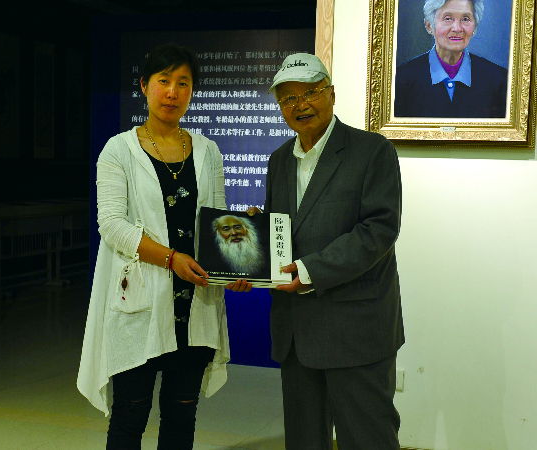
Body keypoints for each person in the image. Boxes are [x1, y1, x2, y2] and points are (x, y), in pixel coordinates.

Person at [77, 43, 243, 450]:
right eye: (164, 81)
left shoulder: (207, 150)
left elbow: (217, 219)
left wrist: (240, 255)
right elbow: (111, 225)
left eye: (183, 83)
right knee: (130, 414)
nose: (172, 92)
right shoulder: (118, 150)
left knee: (182, 415)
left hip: (195, 303)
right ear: (144, 86)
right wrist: (171, 259)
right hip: (140, 303)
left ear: (192, 91)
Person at [260, 52, 404, 449]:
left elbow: (378, 230)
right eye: (289, 98)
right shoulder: (279, 161)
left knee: (368, 439)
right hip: (295, 332)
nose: (300, 104)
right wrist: (253, 254)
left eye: (310, 92)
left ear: (332, 94)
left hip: (355, 330)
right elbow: (280, 231)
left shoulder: (372, 151)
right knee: (304, 441)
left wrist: (310, 271)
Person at [394, 0, 508, 118]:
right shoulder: (401, 79)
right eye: (448, 18)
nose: (457, 28)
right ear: (429, 26)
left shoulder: (500, 80)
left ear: (474, 26)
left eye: (465, 19)